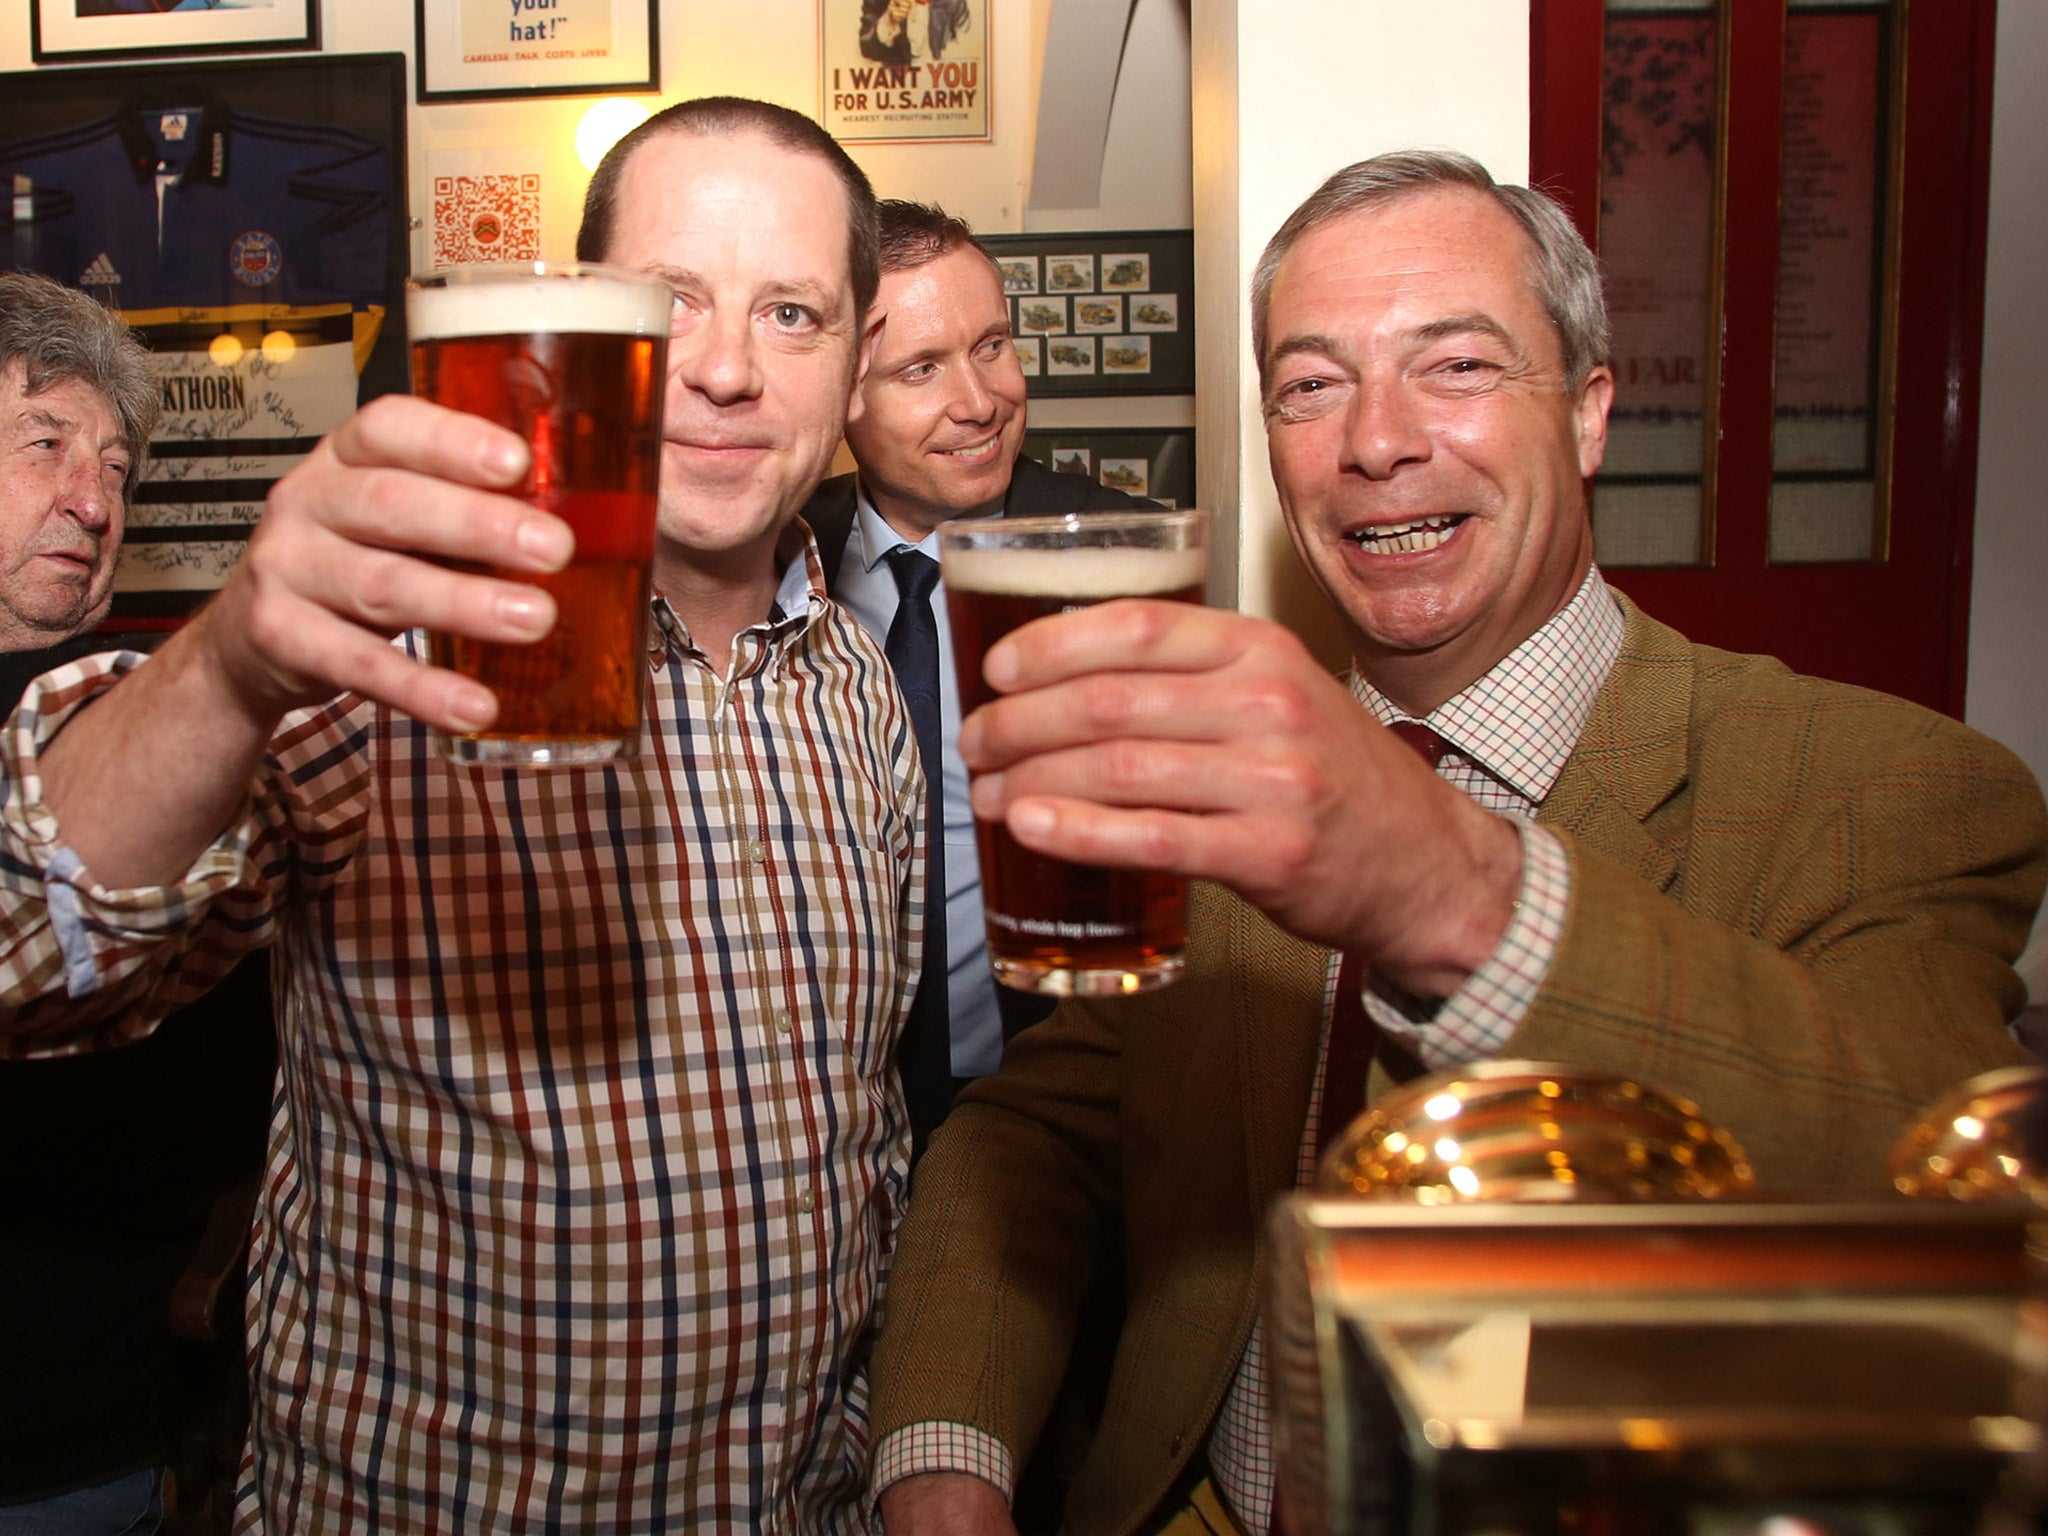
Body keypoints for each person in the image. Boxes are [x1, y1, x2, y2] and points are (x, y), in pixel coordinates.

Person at [864, 151, 2048, 1535]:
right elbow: (1035, 1129)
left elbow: (1959, 1241)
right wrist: (943, 1456)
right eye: (1311, 386)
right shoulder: (1223, 770)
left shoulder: (1883, 786)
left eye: (1459, 367)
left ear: (1592, 414)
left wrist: (1457, 886)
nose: (1375, 442)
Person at [0, 98, 924, 1534]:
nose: (729, 370)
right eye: (675, 302)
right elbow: (20, 959)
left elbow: (864, 1150)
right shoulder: (400, 652)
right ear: (589, 316)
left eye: (791, 313)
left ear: (859, 361)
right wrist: (233, 660)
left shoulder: (861, 688)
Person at [0, 270, 274, 1536]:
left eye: (114, 465)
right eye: (45, 445)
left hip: (89, 1413)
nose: (94, 501)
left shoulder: (145, 706)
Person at [803, 199, 1156, 1158]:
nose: (980, 399)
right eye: (922, 368)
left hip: (1069, 1101)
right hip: (826, 1123)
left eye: (992, 345)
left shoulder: (1125, 561)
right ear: (840, 393)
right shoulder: (774, 562)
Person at [861, 0, 973, 68]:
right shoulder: (877, 1)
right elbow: (866, 48)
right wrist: (889, 21)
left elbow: (967, 50)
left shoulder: (954, 3)